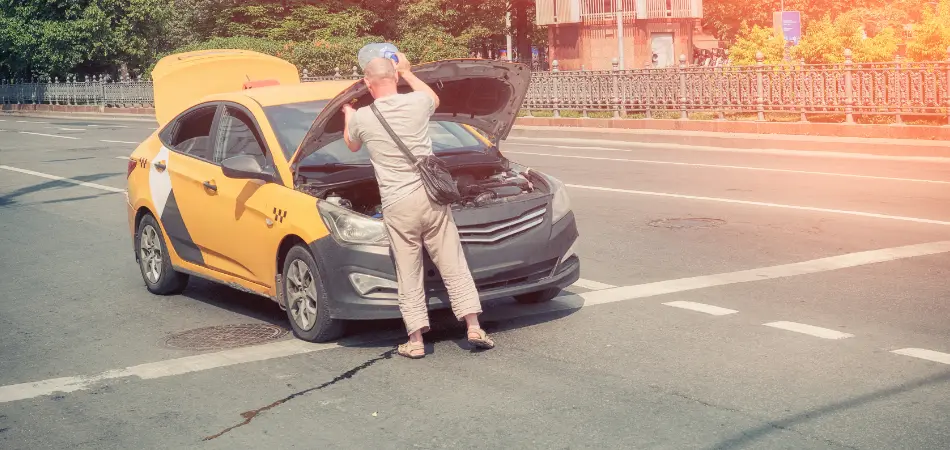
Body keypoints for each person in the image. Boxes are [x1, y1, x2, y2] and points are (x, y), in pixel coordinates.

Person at [341, 53, 494, 359]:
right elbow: (433, 98)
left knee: (408, 271)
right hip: (431, 196)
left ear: (368, 84)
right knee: (453, 262)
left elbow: (351, 143)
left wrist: (347, 113)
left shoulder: (363, 117)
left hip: (398, 203)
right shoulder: (417, 103)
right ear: (394, 78)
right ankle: (473, 326)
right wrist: (408, 73)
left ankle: (415, 341)